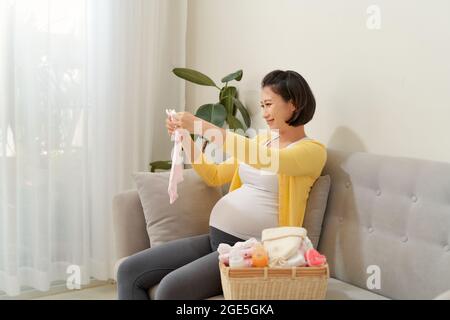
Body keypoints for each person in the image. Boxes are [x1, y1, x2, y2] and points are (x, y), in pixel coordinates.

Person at [117, 70, 327, 300]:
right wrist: (186, 137)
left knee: (169, 290)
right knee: (129, 270)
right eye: (262, 105)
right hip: (217, 241)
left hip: (251, 250)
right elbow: (214, 175)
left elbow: (268, 160)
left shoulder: (312, 151)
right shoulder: (261, 141)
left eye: (269, 104)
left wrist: (199, 125)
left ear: (293, 105)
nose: (264, 113)